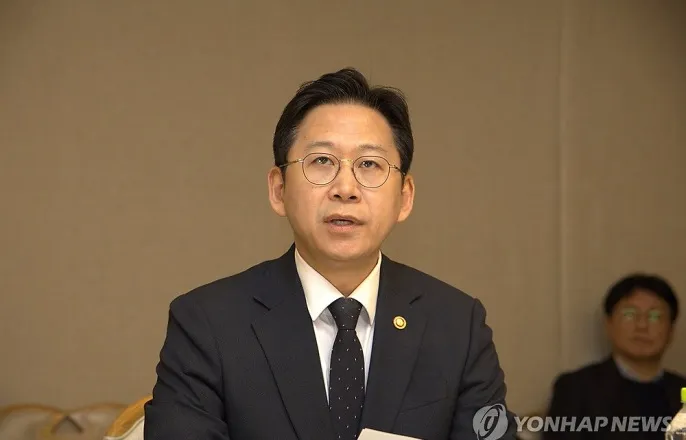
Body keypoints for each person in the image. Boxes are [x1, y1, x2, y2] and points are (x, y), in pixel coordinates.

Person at [144, 67, 517, 440]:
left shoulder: (457, 325)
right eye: (322, 161)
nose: (345, 188)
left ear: (405, 197)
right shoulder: (208, 323)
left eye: (369, 164)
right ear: (278, 189)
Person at [544, 273, 686, 440]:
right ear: (609, 325)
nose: (642, 325)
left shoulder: (680, 389)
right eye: (629, 314)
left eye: (655, 316)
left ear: (671, 331)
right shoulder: (576, 389)